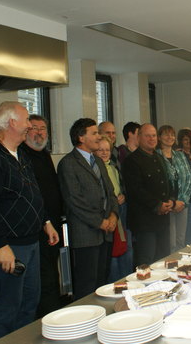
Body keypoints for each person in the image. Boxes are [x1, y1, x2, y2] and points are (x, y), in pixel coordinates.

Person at [0, 102, 59, 341]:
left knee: (30, 302)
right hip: (9, 245)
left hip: (30, 240)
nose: (29, 126)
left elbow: (33, 193)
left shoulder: (21, 154)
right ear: (11, 122)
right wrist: (1, 246)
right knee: (8, 306)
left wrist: (46, 222)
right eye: (25, 121)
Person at [58, 118, 119, 299]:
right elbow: (74, 201)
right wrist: (100, 222)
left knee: (102, 282)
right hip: (86, 234)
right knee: (86, 285)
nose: (98, 136)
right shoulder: (68, 164)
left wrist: (114, 216)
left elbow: (110, 193)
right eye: (94, 133)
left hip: (105, 233)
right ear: (81, 137)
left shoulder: (98, 161)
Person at [21, 114, 65, 317]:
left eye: (43, 129)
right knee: (43, 280)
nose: (39, 132)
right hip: (35, 228)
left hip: (53, 226)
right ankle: (49, 320)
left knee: (51, 276)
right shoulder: (21, 155)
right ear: (25, 131)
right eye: (34, 128)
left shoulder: (44, 154)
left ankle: (54, 317)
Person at [121, 124, 174, 265]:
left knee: (163, 260)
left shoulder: (159, 157)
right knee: (146, 261)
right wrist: (157, 205)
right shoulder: (131, 161)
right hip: (145, 222)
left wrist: (171, 201)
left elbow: (167, 182)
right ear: (139, 138)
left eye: (154, 135)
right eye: (147, 135)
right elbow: (136, 190)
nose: (152, 139)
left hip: (163, 219)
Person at [94, 135, 132, 283]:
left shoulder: (114, 167)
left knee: (125, 246)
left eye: (107, 150)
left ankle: (127, 280)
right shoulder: (96, 170)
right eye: (100, 150)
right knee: (113, 250)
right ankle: (115, 282)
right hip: (108, 214)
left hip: (121, 209)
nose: (104, 153)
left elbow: (119, 186)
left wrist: (123, 195)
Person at [156, 125, 191, 252]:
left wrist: (182, 200)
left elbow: (189, 178)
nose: (169, 137)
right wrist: (171, 203)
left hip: (182, 203)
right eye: (166, 134)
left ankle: (180, 267)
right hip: (166, 204)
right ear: (159, 137)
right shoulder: (156, 156)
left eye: (172, 134)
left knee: (180, 240)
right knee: (170, 242)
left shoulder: (180, 155)